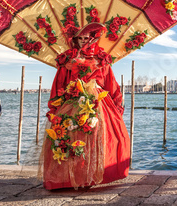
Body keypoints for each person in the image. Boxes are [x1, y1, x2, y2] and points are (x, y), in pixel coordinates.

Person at [40, 23, 130, 190]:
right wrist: (56, 104)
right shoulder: (68, 59)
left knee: (95, 137)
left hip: (98, 103)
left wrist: (117, 102)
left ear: (93, 38)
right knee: (72, 136)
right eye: (79, 38)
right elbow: (60, 82)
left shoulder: (101, 58)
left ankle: (93, 175)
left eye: (86, 38)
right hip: (72, 100)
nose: (82, 41)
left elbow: (110, 82)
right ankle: (70, 177)